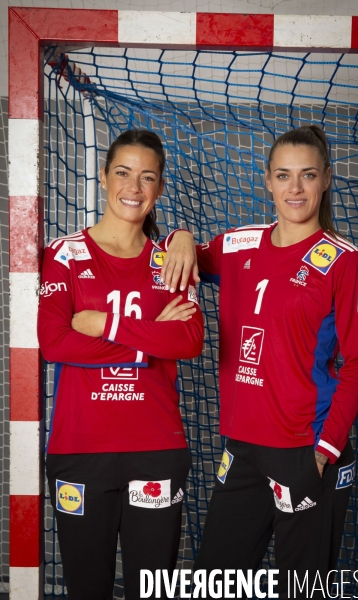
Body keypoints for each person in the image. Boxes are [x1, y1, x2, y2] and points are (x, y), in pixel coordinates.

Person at [161, 126, 358, 598]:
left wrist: (325, 451)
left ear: (326, 181)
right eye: (283, 175)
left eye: (307, 175)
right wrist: (181, 233)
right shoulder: (239, 244)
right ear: (267, 182)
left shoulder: (345, 262)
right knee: (215, 584)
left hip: (306, 450)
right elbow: (186, 258)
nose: (295, 188)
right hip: (243, 449)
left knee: (302, 590)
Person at [38, 129, 204, 600]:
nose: (134, 188)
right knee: (87, 589)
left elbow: (190, 339)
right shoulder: (65, 254)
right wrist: (149, 345)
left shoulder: (168, 260)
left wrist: (103, 324)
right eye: (124, 173)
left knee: (151, 591)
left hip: (155, 446)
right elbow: (55, 342)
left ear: (160, 188)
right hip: (80, 448)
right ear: (105, 178)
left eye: (147, 177)